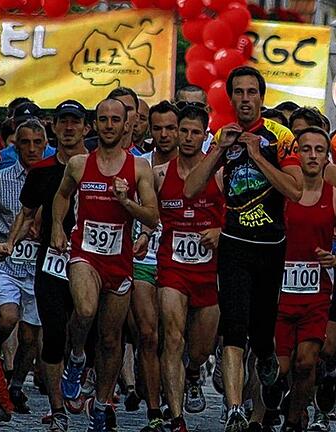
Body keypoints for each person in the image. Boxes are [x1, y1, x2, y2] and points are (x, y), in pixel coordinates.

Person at [181, 66, 303, 432]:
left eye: (252, 92)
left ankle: (266, 355)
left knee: (261, 330)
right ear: (231, 97)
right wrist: (219, 148)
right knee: (234, 327)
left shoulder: (280, 137)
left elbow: (295, 190)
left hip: (270, 245)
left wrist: (259, 156)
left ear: (261, 98)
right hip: (234, 244)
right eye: (239, 92)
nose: (245, 99)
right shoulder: (223, 135)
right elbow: (191, 189)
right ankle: (234, 409)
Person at [52, 98, 159, 432]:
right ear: (94, 124)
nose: (110, 125)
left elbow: (153, 217)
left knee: (112, 339)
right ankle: (77, 357)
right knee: (84, 310)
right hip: (85, 253)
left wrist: (126, 202)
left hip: (120, 260)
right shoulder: (80, 164)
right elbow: (62, 195)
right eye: (103, 120)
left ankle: (100, 404)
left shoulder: (139, 168)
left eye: (116, 120)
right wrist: (57, 225)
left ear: (126, 124)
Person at [3, 100, 90, 431]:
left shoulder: (98, 167)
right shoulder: (42, 170)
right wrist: (11, 242)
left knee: (87, 323)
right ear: (54, 127)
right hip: (51, 262)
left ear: (86, 128)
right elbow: (26, 213)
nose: (69, 128)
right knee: (52, 333)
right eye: (63, 122)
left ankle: (80, 359)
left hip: (92, 260)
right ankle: (58, 409)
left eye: (75, 122)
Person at [267, 126, 336, 432]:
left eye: (319, 150)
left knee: (306, 362)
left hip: (316, 294)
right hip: (280, 293)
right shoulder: (279, 196)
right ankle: (281, 399)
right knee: (280, 367)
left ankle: (293, 421)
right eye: (306, 149)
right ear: (296, 155)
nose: (312, 155)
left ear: (327, 157)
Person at [155, 104, 224, 432]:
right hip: (172, 268)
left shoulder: (219, 175)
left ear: (205, 135)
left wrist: (220, 232)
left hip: (209, 273)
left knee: (198, 349)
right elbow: (148, 216)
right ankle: (176, 416)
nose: (187, 137)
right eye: (183, 130)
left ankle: (195, 371)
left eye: (196, 132)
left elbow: (239, 218)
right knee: (172, 338)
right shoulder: (159, 174)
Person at [0, 119, 49, 413]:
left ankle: (16, 386)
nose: (33, 148)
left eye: (39, 142)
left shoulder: (56, 179)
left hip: (38, 265)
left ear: (46, 144)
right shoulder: (1, 178)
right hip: (5, 262)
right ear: (16, 145)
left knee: (30, 336)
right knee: (8, 317)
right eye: (26, 142)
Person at [130, 100, 181, 432]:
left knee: (178, 341)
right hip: (143, 260)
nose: (163, 134)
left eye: (170, 128)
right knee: (149, 335)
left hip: (182, 263)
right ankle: (154, 411)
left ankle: (185, 379)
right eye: (157, 127)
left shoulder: (196, 166)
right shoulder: (138, 165)